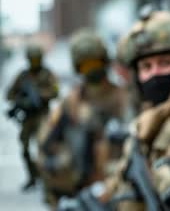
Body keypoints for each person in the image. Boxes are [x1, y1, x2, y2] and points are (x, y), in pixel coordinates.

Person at [96, 9, 170, 210]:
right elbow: (116, 186)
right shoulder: (145, 125)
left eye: (166, 63)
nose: (155, 74)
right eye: (146, 67)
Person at [36, 29, 129, 207]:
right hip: (82, 190)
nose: (92, 69)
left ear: (104, 62)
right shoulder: (70, 103)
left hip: (120, 189)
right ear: (78, 68)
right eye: (86, 66)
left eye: (95, 63)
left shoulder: (125, 98)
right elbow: (46, 148)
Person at [6, 44, 59, 191]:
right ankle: (32, 177)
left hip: (42, 115)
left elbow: (55, 91)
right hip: (28, 118)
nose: (35, 63)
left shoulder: (48, 74)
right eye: (32, 60)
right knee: (25, 149)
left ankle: (47, 177)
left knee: (45, 147)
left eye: (37, 60)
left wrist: (40, 95)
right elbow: (9, 94)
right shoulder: (23, 76)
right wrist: (21, 100)